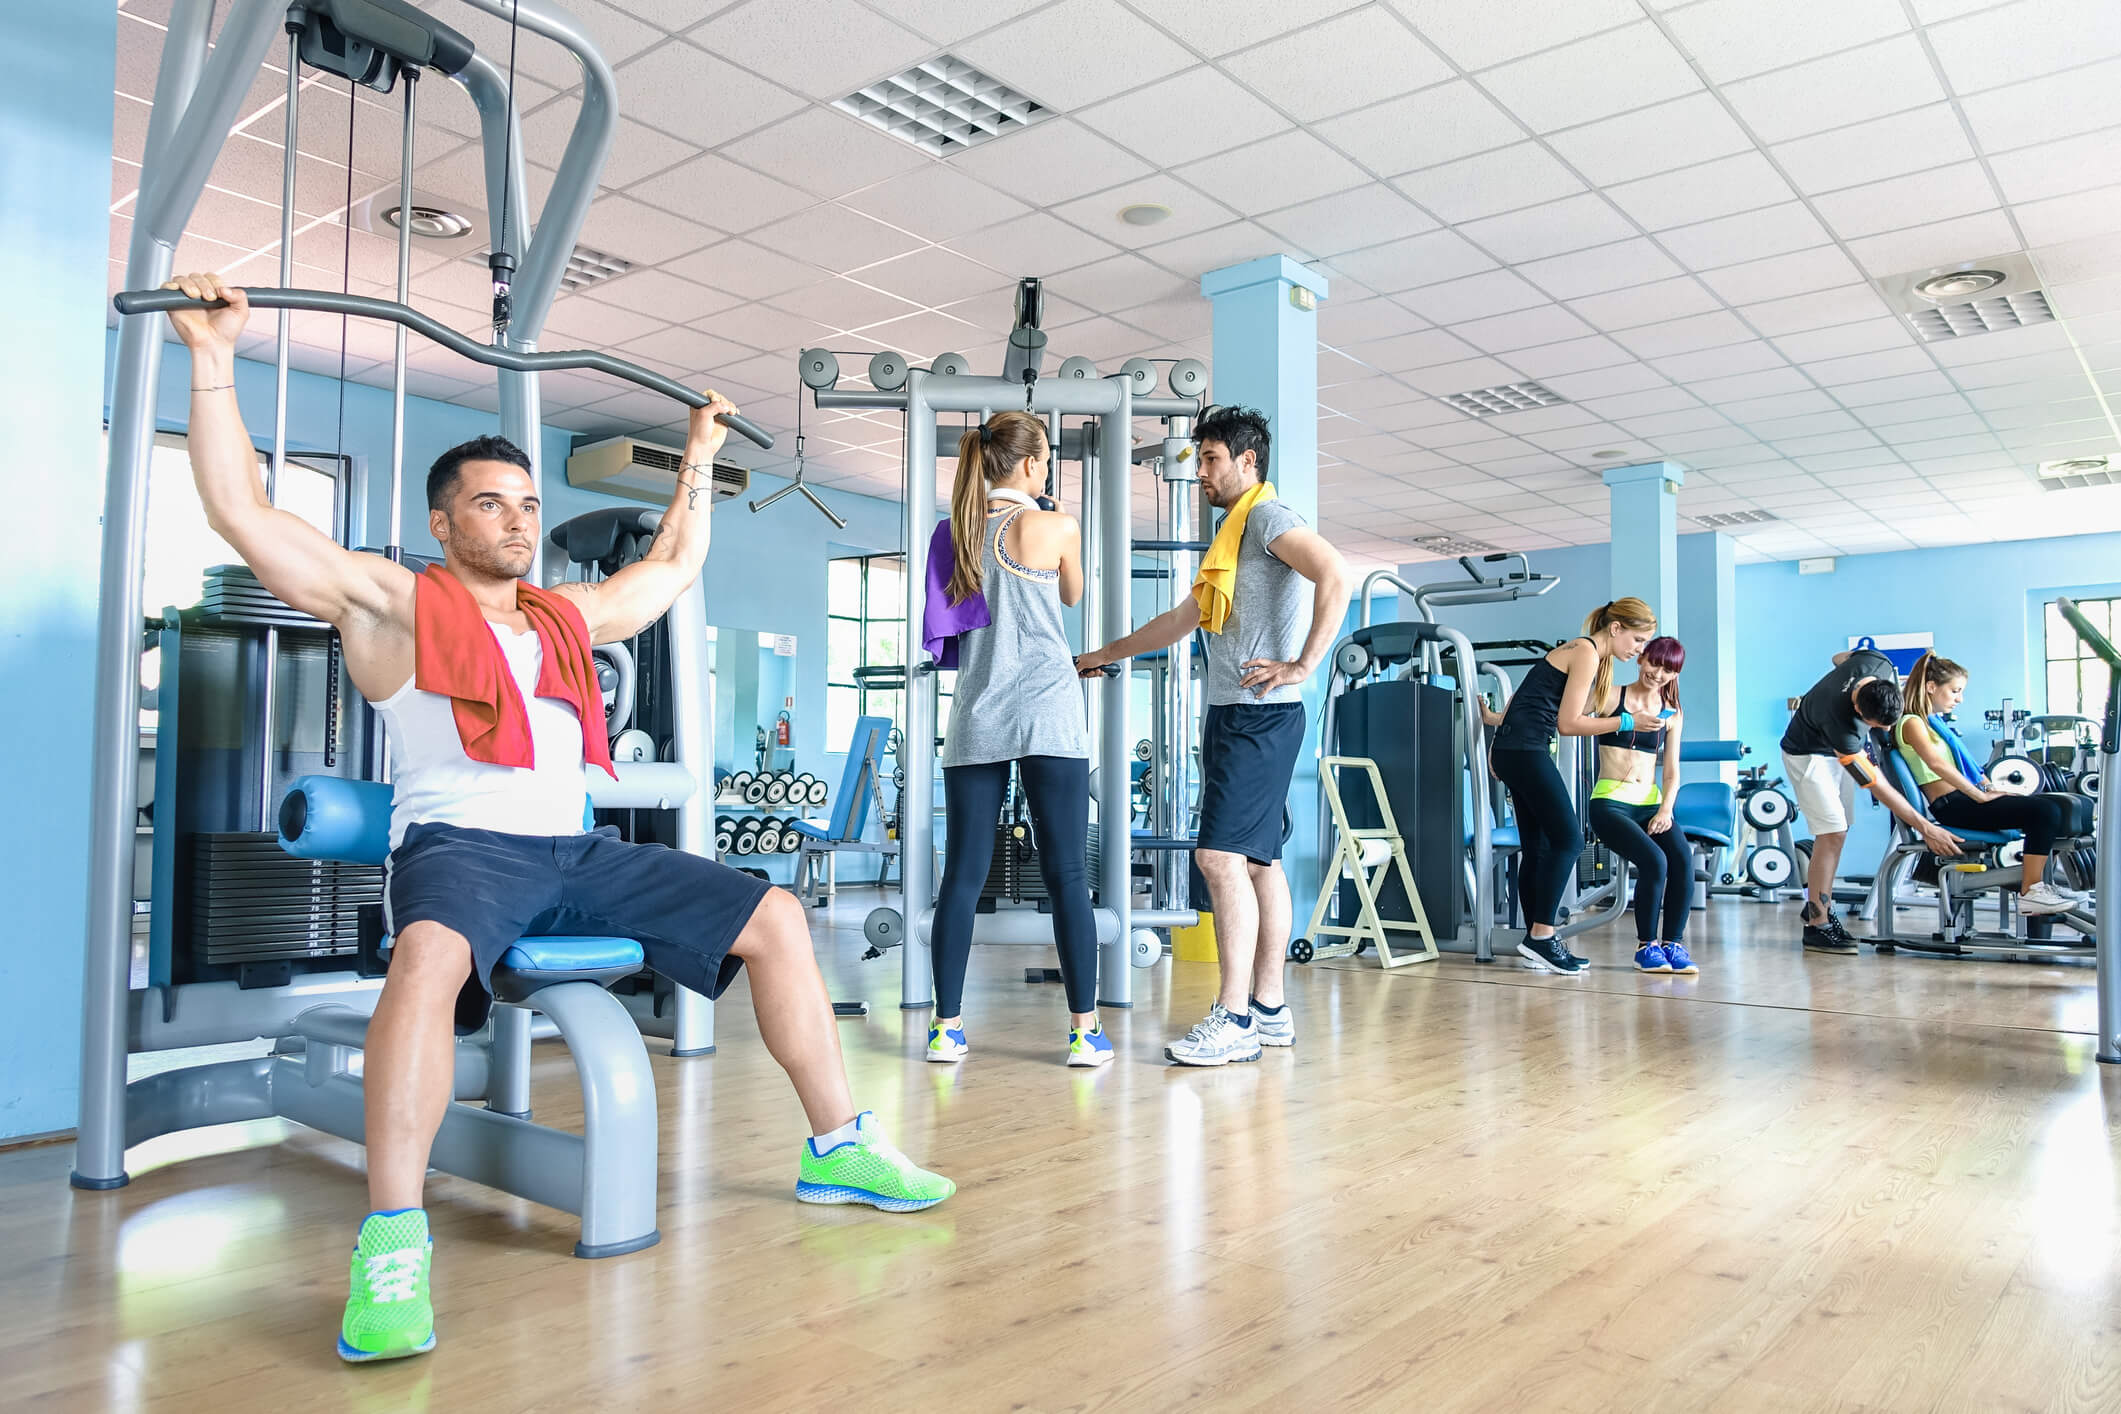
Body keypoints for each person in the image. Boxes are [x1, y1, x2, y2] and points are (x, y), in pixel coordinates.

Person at [157, 274, 952, 1366]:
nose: (518, 520)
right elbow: (242, 515)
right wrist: (212, 357)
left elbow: (671, 567)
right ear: (444, 522)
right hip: (460, 848)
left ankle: (839, 1146)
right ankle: (392, 1236)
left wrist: (701, 454)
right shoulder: (390, 601)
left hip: (575, 847)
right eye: (492, 503)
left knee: (773, 917)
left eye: (527, 505)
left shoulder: (562, 617)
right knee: (428, 961)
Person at [1074, 406, 1353, 1066]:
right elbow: (1182, 619)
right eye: (1198, 459)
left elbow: (1335, 573)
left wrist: (1304, 665)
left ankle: (1233, 1019)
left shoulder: (1265, 518)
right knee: (1259, 864)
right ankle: (1270, 1008)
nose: (1199, 471)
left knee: (1217, 860)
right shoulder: (1232, 535)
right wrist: (1100, 654)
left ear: (1247, 462)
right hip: (1241, 715)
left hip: (1259, 716)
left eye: (1210, 459)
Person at [923, 411, 1110, 1068]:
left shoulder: (953, 534)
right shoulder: (1054, 525)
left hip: (977, 713)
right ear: (1031, 465)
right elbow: (1071, 594)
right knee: (1064, 874)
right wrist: (1055, 521)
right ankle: (1084, 1032)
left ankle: (945, 1029)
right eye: (1048, 456)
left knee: (962, 877)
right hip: (1049, 713)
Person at [1485, 599, 1658, 975]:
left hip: (1517, 749)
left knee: (1538, 847)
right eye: (1639, 639)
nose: (1640, 650)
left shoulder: (1582, 651)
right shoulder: (1585, 651)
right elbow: (1568, 723)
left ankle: (1537, 940)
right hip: (1526, 751)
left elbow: (1529, 703)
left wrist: (1496, 732)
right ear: (1616, 628)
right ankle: (1542, 936)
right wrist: (1627, 723)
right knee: (1569, 840)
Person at [1780, 645, 1962, 954]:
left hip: (1832, 745)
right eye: (1877, 727)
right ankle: (1817, 925)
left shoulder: (1877, 662)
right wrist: (1925, 827)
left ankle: (1818, 906)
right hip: (1808, 754)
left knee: (1840, 830)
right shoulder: (1840, 725)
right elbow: (1875, 784)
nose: (1886, 731)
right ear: (1858, 713)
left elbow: (1839, 658)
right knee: (1831, 832)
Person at [1893, 652, 2078, 915]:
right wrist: (1980, 795)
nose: (1959, 699)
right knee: (2044, 812)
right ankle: (2031, 890)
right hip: (1953, 805)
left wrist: (1987, 787)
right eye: (1955, 691)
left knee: (2060, 806)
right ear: (1931, 687)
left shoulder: (1933, 724)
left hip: (1963, 800)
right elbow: (1937, 765)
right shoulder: (1911, 722)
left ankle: (2036, 883)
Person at [1584, 635, 1698, 975]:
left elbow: (1672, 772)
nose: (1658, 673)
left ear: (1675, 674)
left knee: (1682, 859)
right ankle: (1646, 946)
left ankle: (1673, 944)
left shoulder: (1672, 713)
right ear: (1641, 659)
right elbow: (1568, 718)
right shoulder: (1609, 696)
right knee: (1655, 860)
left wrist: (1666, 810)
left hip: (1650, 804)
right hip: (1610, 803)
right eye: (1654, 663)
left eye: (1668, 669)